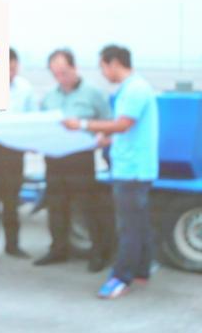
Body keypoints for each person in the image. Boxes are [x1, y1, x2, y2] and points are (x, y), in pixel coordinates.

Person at [63, 45, 159, 299]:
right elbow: (127, 130)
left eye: (103, 67)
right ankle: (142, 271)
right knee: (139, 223)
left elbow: (123, 124)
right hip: (135, 167)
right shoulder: (132, 88)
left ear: (114, 63)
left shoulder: (134, 89)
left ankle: (121, 278)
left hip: (131, 170)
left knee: (128, 227)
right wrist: (107, 139)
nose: (103, 73)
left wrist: (82, 124)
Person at [35, 49, 114, 272]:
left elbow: (109, 123)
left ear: (74, 67)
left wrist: (101, 138)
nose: (60, 78)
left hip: (81, 159)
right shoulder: (50, 97)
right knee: (56, 207)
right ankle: (58, 249)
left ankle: (98, 252)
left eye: (64, 72)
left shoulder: (93, 94)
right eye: (55, 74)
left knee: (87, 207)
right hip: (54, 158)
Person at [0, 48, 36, 266]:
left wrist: (34, 142)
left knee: (12, 201)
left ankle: (13, 245)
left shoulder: (25, 88)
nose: (10, 73)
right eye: (6, 69)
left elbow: (33, 119)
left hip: (13, 152)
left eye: (13, 68)